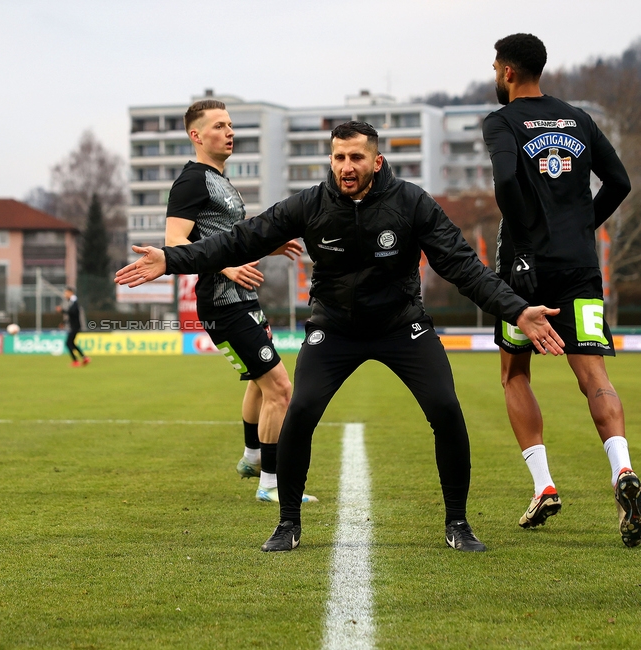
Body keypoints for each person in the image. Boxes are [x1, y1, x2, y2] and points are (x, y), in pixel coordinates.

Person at [117, 121, 564, 553]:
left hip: (401, 325)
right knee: (301, 409)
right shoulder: (309, 204)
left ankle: (458, 524)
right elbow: (238, 241)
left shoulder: (411, 203)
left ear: (376, 161)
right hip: (334, 327)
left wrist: (518, 309)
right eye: (338, 157)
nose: (346, 167)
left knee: (446, 409)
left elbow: (463, 266)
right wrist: (172, 259)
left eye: (356, 157)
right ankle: (288, 522)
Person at [483, 34, 636, 545]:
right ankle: (622, 471)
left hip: (524, 270)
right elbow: (619, 182)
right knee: (593, 373)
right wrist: (580, 227)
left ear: (507, 72)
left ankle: (544, 485)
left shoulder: (502, 120)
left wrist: (527, 240)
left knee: (514, 373)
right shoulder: (578, 118)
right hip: (579, 267)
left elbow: (506, 181)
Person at [165, 99, 314, 503]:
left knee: (263, 384)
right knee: (281, 389)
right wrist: (226, 267)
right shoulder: (192, 181)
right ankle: (271, 484)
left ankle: (251, 459)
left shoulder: (220, 179)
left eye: (230, 125)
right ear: (196, 135)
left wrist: (265, 242)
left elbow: (230, 236)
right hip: (223, 304)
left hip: (243, 300)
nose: (229, 132)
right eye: (218, 126)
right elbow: (175, 242)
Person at [58, 286, 89, 366]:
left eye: (66, 293)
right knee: (72, 343)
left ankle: (75, 361)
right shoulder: (72, 301)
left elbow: (72, 312)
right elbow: (72, 315)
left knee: (68, 343)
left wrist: (62, 310)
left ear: (70, 292)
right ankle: (84, 358)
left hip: (75, 326)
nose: (65, 294)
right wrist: (64, 323)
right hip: (74, 326)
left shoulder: (74, 301)